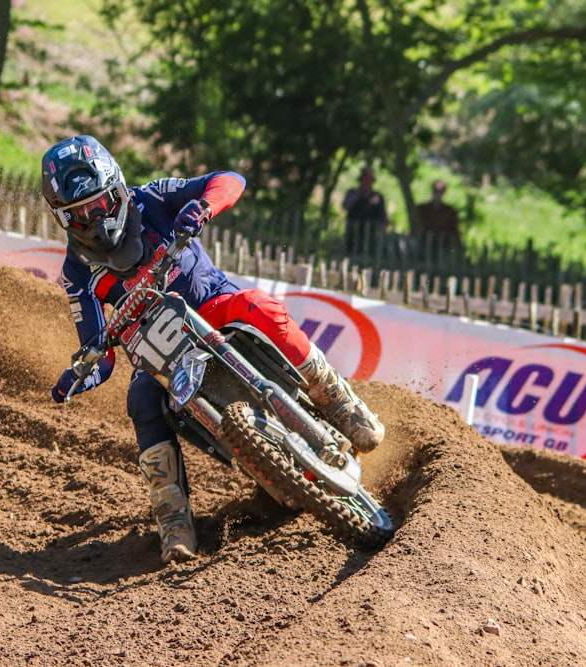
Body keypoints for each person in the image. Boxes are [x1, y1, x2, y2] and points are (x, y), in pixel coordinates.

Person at [41, 135, 385, 564]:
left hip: (215, 308)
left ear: (118, 189)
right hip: (160, 355)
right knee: (141, 399)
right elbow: (99, 352)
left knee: (260, 305)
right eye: (78, 213)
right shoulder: (78, 273)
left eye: (99, 202)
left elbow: (229, 179)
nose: (93, 217)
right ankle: (173, 517)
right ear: (62, 218)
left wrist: (202, 207)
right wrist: (79, 375)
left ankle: (335, 397)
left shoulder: (153, 199)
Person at [342, 167, 389, 255]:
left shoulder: (377, 196)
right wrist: (359, 196)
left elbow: (383, 216)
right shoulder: (352, 193)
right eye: (365, 179)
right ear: (360, 180)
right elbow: (346, 206)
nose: (367, 182)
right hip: (354, 234)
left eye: (369, 180)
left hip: (371, 235)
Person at [416, 179, 461, 257]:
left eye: (440, 191)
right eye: (436, 191)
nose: (438, 194)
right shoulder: (422, 209)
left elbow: (454, 230)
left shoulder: (449, 211)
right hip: (426, 246)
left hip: (444, 246)